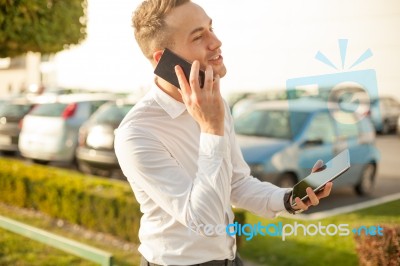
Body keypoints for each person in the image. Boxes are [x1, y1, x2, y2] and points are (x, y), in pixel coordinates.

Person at [114, 1, 333, 265]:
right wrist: (211, 129)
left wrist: (289, 199)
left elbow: (236, 183)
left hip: (230, 259)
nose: (216, 42)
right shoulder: (137, 133)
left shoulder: (216, 104)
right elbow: (203, 220)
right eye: (198, 36)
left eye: (211, 28)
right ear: (164, 60)